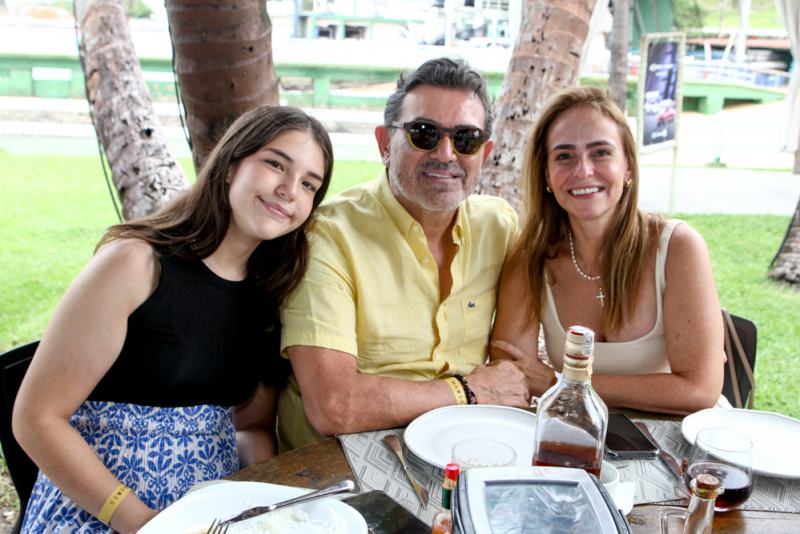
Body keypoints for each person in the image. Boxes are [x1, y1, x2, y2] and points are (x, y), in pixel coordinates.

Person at [12, 106, 333, 534]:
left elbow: (251, 426)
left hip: (211, 515)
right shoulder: (135, 263)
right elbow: (36, 418)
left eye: (309, 184)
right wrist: (144, 523)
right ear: (230, 165)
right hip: (101, 510)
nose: (289, 190)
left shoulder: (268, 296)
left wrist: (262, 511)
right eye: (275, 164)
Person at [277, 57, 530, 452]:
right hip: (343, 464)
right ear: (384, 144)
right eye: (424, 133)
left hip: (463, 450)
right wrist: (467, 391)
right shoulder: (327, 235)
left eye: (466, 139)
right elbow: (334, 406)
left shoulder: (499, 226)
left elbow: (512, 372)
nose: (446, 153)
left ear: (485, 152)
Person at [490, 85, 727, 416]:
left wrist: (561, 383)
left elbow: (700, 390)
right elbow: (511, 375)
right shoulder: (532, 259)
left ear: (628, 166)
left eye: (600, 152)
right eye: (564, 156)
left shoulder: (677, 246)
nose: (583, 171)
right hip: (581, 434)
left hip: (676, 437)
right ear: (546, 174)